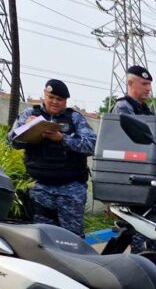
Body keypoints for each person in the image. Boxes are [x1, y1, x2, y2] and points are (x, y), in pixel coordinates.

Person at [8, 79, 96, 237]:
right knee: (42, 238)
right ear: (44, 95)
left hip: (70, 189)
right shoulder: (30, 114)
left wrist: (62, 138)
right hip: (40, 188)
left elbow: (91, 145)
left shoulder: (75, 118)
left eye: (60, 99)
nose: (55, 102)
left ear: (65, 101)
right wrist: (27, 128)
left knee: (73, 239)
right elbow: (12, 142)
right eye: (51, 97)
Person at [110, 65, 156, 253]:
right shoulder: (124, 107)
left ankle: (154, 265)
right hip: (133, 180)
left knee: (153, 233)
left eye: (149, 84)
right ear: (130, 83)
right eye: (144, 83)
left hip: (146, 178)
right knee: (139, 235)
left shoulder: (145, 110)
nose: (148, 88)